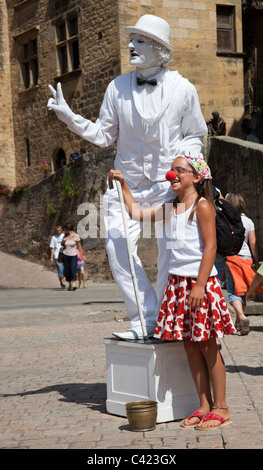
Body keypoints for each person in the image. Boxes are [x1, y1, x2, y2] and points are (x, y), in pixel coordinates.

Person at [47, 14, 208, 340]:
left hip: (167, 188)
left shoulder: (183, 89)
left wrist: (188, 167)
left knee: (171, 253)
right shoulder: (116, 88)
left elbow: (195, 134)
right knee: (117, 247)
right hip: (125, 185)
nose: (131, 45)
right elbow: (104, 134)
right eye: (132, 39)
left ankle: (164, 319)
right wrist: (69, 117)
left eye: (141, 40)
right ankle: (144, 318)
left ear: (160, 49)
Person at [109, 154, 235, 430]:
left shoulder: (202, 206)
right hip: (178, 286)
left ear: (197, 177)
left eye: (180, 170)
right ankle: (204, 405)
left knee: (208, 346)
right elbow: (135, 214)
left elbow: (211, 248)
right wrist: (124, 186)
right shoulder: (170, 208)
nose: (172, 175)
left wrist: (200, 285)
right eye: (171, 170)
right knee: (190, 347)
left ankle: (221, 407)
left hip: (199, 284)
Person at [225, 193, 259, 335]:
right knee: (243, 290)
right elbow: (253, 243)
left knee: (233, 291)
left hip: (231, 257)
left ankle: (242, 317)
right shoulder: (249, 221)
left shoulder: (225, 220)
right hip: (246, 258)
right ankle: (239, 323)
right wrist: (256, 261)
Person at [61, 222, 82, 291]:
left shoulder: (76, 236)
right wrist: (63, 241)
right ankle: (69, 285)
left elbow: (79, 246)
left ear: (68, 229)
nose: (65, 230)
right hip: (65, 255)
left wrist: (81, 255)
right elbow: (61, 244)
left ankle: (74, 284)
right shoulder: (65, 236)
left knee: (73, 269)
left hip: (73, 255)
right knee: (67, 271)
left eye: (65, 229)